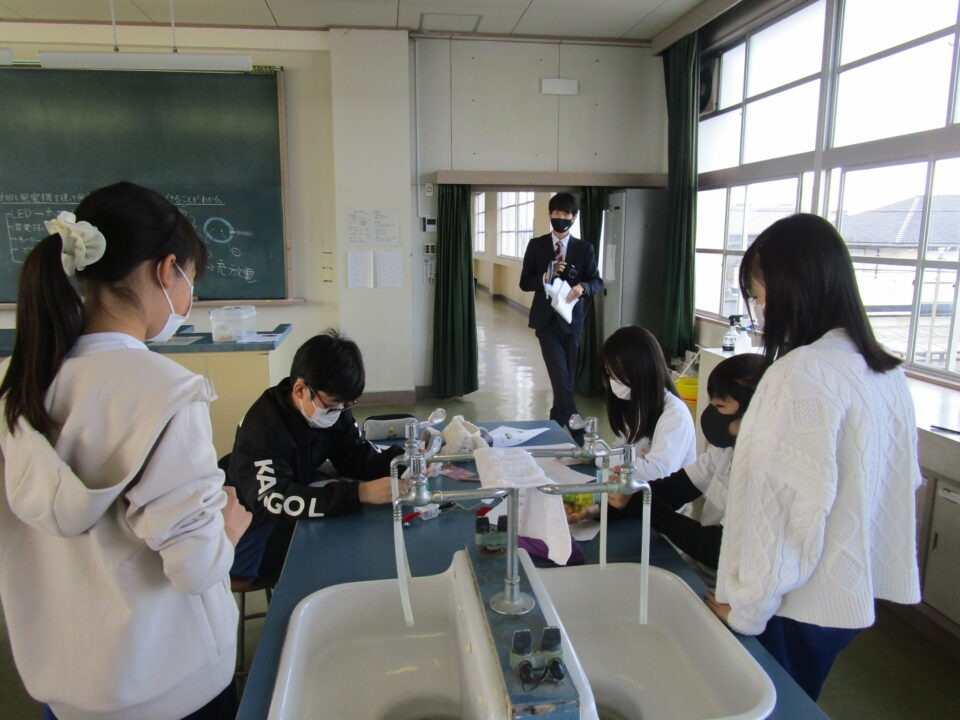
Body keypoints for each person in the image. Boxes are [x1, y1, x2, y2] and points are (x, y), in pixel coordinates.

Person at [0, 181, 249, 720]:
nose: (188, 299)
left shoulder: (22, 389)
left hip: (66, 690)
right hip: (171, 687)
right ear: (166, 271)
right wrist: (228, 529)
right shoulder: (167, 392)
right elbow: (194, 568)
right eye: (189, 280)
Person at [706, 213, 922, 700]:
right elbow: (899, 484)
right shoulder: (885, 372)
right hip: (849, 596)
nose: (760, 311)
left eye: (759, 296)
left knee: (768, 702)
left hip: (794, 606)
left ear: (793, 287)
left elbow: (780, 512)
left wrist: (746, 609)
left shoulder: (802, 373)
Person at [225, 331, 406, 586]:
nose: (339, 412)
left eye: (346, 405)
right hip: (254, 524)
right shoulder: (262, 429)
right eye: (333, 404)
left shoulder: (331, 408)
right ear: (301, 389)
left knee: (351, 542)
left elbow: (354, 455)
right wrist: (359, 493)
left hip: (299, 492)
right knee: (327, 563)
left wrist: (404, 462)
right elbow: (276, 502)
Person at [604, 353, 770, 579]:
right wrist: (614, 504)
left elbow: (717, 547)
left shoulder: (765, 473)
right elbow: (676, 488)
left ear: (752, 412)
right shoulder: (724, 451)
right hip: (703, 566)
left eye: (720, 406)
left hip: (729, 580)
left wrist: (641, 503)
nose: (712, 416)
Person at [519, 192, 602, 443]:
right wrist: (546, 275)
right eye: (556, 213)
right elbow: (525, 282)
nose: (560, 218)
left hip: (572, 323)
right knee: (559, 375)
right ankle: (579, 433)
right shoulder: (536, 245)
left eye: (566, 214)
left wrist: (583, 288)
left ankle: (554, 426)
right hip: (546, 323)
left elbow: (597, 282)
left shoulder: (584, 249)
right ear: (549, 215)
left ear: (574, 218)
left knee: (565, 381)